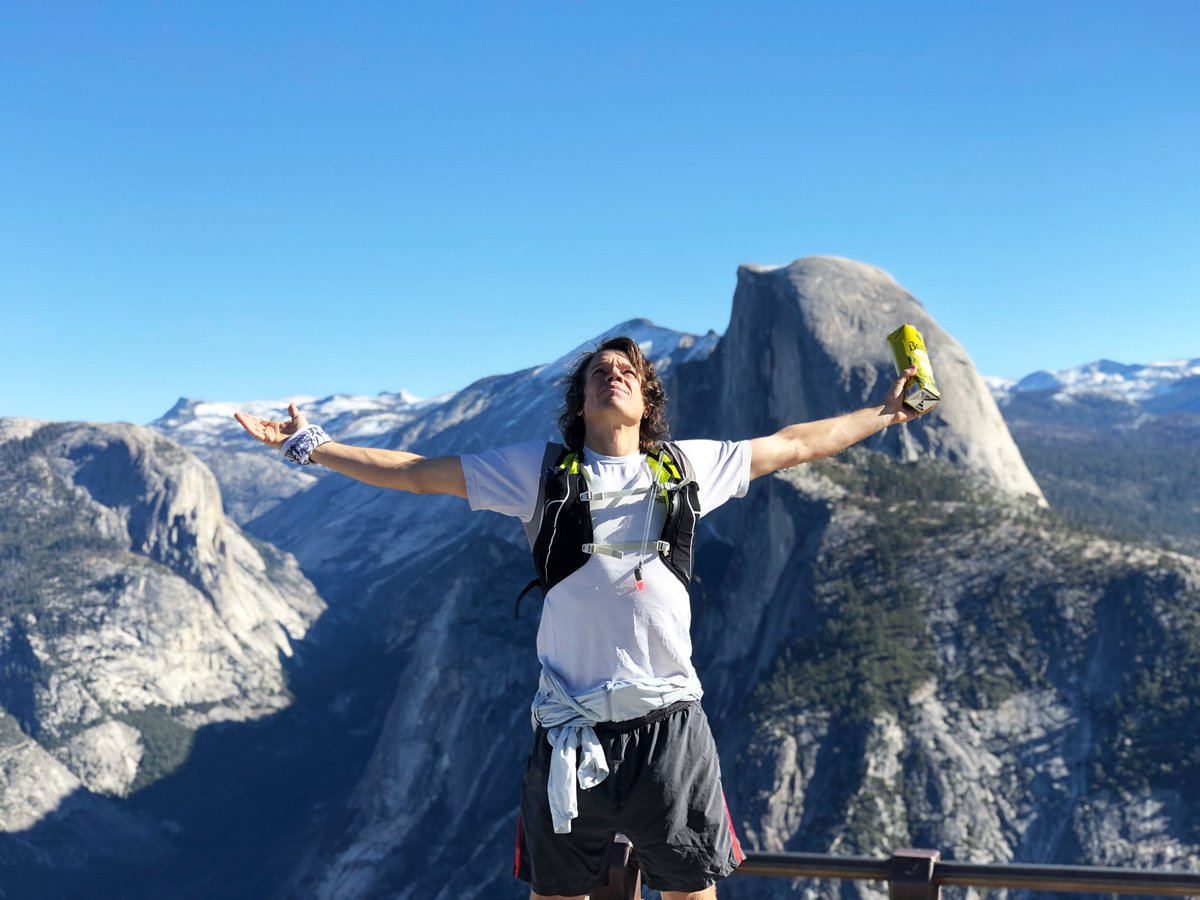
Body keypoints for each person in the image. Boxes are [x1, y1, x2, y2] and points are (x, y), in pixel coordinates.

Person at [235, 336, 927, 900]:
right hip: (571, 733)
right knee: (560, 897)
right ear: (582, 400)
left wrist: (886, 413)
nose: (614, 376)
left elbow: (797, 443)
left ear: (646, 397)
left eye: (628, 370)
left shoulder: (686, 468)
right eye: (600, 370)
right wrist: (310, 446)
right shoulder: (540, 474)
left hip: (670, 730)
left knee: (691, 892)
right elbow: (418, 471)